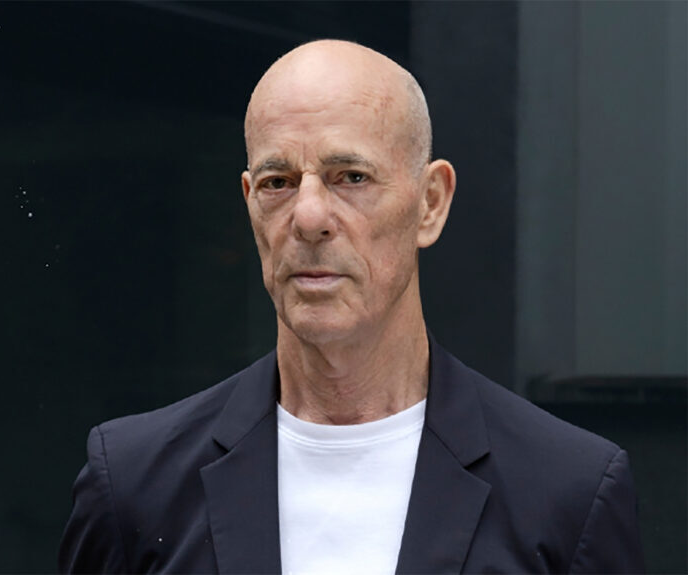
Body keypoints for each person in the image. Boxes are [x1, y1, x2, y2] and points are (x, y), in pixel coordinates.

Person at [59, 40, 645, 574]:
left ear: (431, 203)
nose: (309, 216)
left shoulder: (567, 493)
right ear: (249, 202)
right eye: (278, 182)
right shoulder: (135, 484)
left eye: (351, 177)